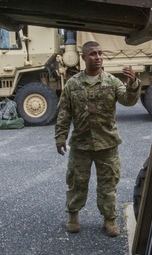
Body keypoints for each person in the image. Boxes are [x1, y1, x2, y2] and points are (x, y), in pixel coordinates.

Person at [55, 41, 141, 236]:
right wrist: (60, 137)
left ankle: (109, 220)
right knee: (77, 182)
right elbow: (64, 113)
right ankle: (73, 215)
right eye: (93, 54)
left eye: (100, 53)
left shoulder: (112, 81)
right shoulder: (73, 84)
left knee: (108, 185)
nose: (98, 57)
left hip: (107, 144)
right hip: (81, 144)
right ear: (83, 57)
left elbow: (128, 101)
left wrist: (133, 83)